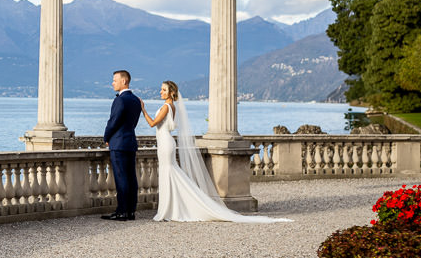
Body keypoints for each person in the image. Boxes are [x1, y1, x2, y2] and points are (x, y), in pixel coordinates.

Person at [141, 80, 290, 224]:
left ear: (171, 92)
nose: (161, 92)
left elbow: (153, 123)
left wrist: (143, 109)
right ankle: (170, 209)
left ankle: (171, 209)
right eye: (161, 89)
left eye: (164, 89)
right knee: (170, 173)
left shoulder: (167, 106)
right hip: (165, 142)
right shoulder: (171, 106)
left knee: (170, 172)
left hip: (166, 143)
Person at [101, 69, 143, 221]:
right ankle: (131, 211)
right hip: (130, 142)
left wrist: (106, 136)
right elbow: (133, 123)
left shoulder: (120, 100)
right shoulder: (136, 100)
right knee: (131, 178)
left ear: (124, 81)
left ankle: (122, 212)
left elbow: (113, 121)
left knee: (121, 178)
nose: (112, 83)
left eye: (114, 80)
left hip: (118, 143)